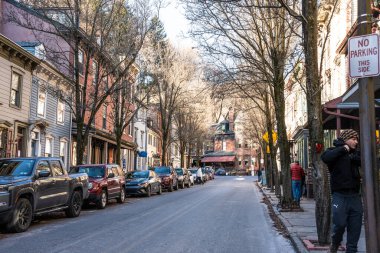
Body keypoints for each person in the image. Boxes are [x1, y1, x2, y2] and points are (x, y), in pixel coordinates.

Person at [321, 129, 362, 253]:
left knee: (355, 230)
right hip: (340, 196)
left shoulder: (357, 154)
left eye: (357, 139)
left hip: (355, 197)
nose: (356, 142)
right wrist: (343, 149)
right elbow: (325, 158)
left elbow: (366, 160)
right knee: (339, 225)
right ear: (345, 140)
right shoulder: (333, 152)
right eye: (353, 139)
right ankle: (335, 243)